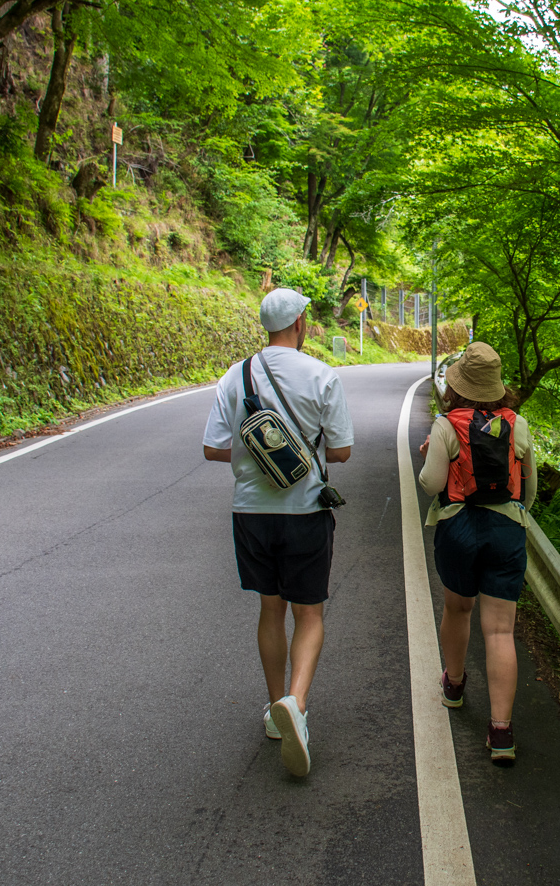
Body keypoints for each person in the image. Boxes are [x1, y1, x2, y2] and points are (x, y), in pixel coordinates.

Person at [203, 287, 354, 777]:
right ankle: (297, 703)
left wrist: (257, 459)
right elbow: (342, 452)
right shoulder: (320, 375)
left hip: (250, 513)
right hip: (306, 512)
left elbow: (213, 448)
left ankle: (274, 709)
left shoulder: (236, 375)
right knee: (309, 615)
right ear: (301, 323)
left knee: (271, 609)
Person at [417, 341, 537, 764]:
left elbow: (431, 485)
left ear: (458, 386)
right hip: (506, 529)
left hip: (459, 527)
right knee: (501, 631)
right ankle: (501, 732)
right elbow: (531, 491)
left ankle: (454, 684)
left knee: (458, 608)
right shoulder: (517, 423)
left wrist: (431, 456)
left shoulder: (447, 424)